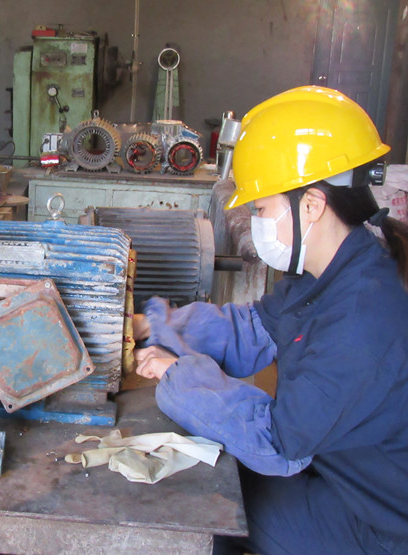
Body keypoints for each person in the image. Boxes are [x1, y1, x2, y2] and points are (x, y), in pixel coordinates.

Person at [133, 86, 408, 554]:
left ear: (312, 205)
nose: (257, 221)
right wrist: (152, 326)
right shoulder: (336, 273)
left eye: (261, 208)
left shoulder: (362, 320)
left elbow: (276, 440)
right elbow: (254, 328)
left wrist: (179, 373)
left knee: (212, 511)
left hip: (377, 524)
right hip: (338, 470)